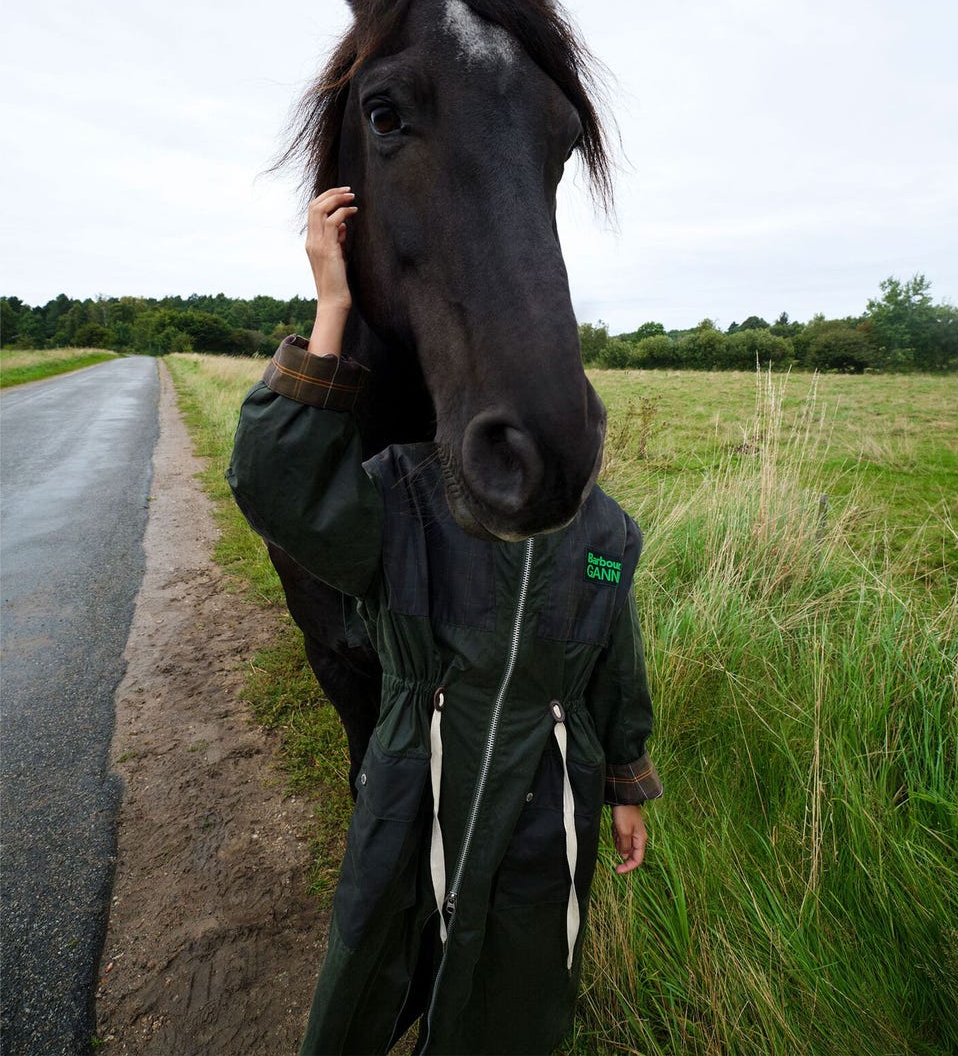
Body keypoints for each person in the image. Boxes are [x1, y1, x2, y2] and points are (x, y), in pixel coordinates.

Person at [227, 188, 663, 1056]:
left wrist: (623, 784)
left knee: (519, 976)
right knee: (378, 950)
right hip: (411, 776)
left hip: (549, 792)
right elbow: (277, 485)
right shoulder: (404, 497)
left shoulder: (608, 532)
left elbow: (616, 659)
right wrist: (332, 306)